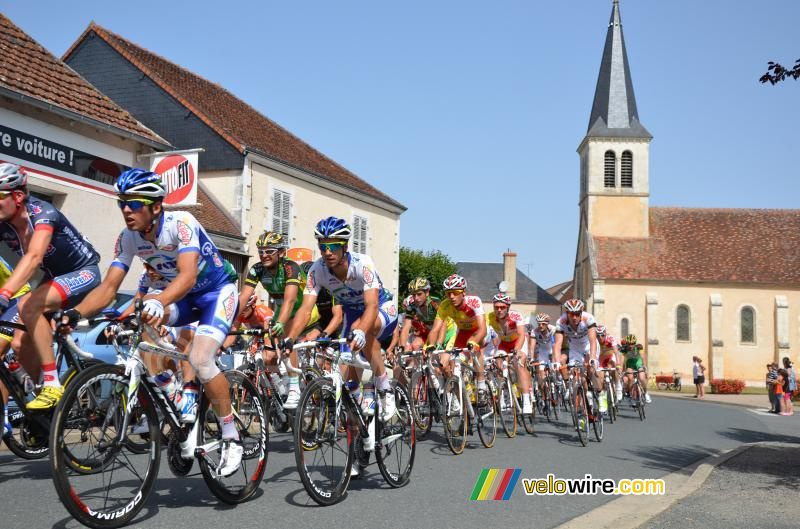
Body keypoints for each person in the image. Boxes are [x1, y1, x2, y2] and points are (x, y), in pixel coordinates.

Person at [61, 168, 243, 476]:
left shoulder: (181, 224)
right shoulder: (128, 239)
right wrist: (75, 314)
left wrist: (159, 300)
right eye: (122, 203)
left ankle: (231, 437)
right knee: (141, 322)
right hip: (183, 299)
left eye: (134, 203)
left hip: (216, 291)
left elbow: (187, 275)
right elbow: (108, 288)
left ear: (155, 206)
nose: (127, 210)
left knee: (200, 358)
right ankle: (171, 388)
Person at [0, 163, 102, 410]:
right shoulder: (4, 224)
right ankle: (35, 413)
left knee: (28, 305)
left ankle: (52, 383)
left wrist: (4, 293)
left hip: (84, 272)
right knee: (16, 344)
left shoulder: (44, 214)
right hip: (54, 278)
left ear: (18, 196)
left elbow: (34, 258)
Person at [283, 216, 398, 422]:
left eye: (333, 246)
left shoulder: (362, 263)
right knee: (345, 364)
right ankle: (359, 414)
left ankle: (384, 388)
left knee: (360, 330)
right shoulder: (317, 270)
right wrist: (290, 338)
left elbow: (371, 306)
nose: (327, 252)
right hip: (353, 314)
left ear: (344, 246)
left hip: (381, 308)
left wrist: (362, 330)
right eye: (323, 246)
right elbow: (305, 309)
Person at [239, 231, 321, 409]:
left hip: (303, 310)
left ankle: (294, 388)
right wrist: (227, 320)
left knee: (285, 338)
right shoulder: (257, 269)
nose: (264, 255)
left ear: (281, 252)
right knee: (268, 356)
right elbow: (244, 297)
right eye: (261, 251)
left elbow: (290, 300)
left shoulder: (291, 267)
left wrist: (281, 324)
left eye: (269, 251)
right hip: (281, 310)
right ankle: (280, 386)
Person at [425, 274, 489, 404]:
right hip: (463, 332)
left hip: (478, 331)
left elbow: (482, 329)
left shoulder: (474, 301)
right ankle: (461, 393)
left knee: (475, 350)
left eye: (455, 292)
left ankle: (481, 384)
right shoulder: (444, 305)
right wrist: (429, 345)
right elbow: (435, 329)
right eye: (448, 293)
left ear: (463, 292)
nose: (451, 296)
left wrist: (474, 341)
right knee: (453, 360)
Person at [552, 299, 604, 412]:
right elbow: (557, 344)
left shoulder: (588, 318)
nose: (574, 317)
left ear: (581, 313)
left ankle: (601, 395)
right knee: (576, 375)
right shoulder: (561, 321)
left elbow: (593, 340)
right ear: (567, 313)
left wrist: (593, 357)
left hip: (589, 346)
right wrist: (556, 361)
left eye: (577, 314)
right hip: (575, 348)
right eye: (571, 314)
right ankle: (582, 404)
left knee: (591, 369)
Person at [486, 292, 532, 414]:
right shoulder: (490, 317)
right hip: (504, 344)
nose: (499, 310)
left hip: (519, 342)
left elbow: (522, 334)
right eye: (496, 307)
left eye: (502, 307)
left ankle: (527, 400)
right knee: (498, 364)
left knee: (519, 364)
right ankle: (504, 394)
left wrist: (517, 350)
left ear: (508, 307)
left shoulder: (516, 316)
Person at [620, 334, 651, 404]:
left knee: (642, 377)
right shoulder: (624, 349)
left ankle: (646, 393)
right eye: (629, 344)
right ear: (627, 344)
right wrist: (621, 370)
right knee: (630, 377)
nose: (631, 345)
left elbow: (643, 357)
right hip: (629, 365)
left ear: (635, 343)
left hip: (638, 364)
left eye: (633, 343)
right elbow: (621, 361)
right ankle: (631, 395)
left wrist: (645, 367)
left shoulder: (639, 347)